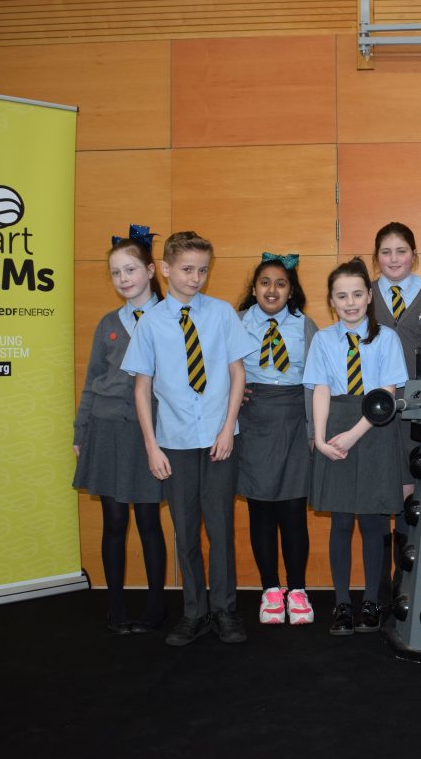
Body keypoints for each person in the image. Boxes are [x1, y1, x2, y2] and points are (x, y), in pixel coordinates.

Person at [121, 230, 258, 646]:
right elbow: (142, 389)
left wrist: (228, 428)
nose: (195, 278)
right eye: (186, 270)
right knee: (185, 531)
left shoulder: (221, 314)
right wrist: (152, 446)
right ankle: (194, 612)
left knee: (220, 529)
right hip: (175, 441)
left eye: (202, 270)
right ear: (164, 269)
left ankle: (225, 610)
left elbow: (237, 373)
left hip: (219, 438)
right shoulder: (150, 323)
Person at [303, 257, 408, 636]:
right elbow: (320, 389)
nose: (350, 302)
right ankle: (343, 604)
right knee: (341, 521)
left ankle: (371, 602)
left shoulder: (387, 338)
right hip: (335, 429)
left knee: (373, 521)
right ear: (331, 301)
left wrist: (355, 433)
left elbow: (388, 393)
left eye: (357, 294)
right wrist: (320, 438)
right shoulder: (323, 339)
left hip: (375, 428)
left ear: (369, 297)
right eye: (342, 296)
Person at [72, 225, 167, 635]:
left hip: (149, 433)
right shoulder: (108, 323)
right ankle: (115, 607)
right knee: (113, 521)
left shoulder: (172, 318)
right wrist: (81, 431)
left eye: (130, 269)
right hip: (107, 429)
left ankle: (156, 608)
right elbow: (92, 380)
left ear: (150, 270)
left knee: (148, 520)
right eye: (115, 272)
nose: (124, 279)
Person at [236, 252, 318, 626]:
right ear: (254, 289)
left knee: (293, 511)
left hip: (295, 420)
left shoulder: (306, 326)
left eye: (281, 284)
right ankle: (270, 589)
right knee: (261, 511)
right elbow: (217, 366)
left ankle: (297, 589)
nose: (272, 290)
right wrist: (231, 391)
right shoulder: (237, 322)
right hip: (253, 421)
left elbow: (319, 379)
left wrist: (316, 430)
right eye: (265, 282)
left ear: (291, 291)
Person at [370, 222, 421, 603]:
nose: (394, 259)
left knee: (413, 499)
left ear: (414, 255)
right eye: (386, 252)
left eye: (401, 251)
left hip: (419, 411)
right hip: (372, 412)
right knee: (376, 497)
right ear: (376, 257)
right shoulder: (362, 293)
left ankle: (406, 587)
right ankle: (377, 593)